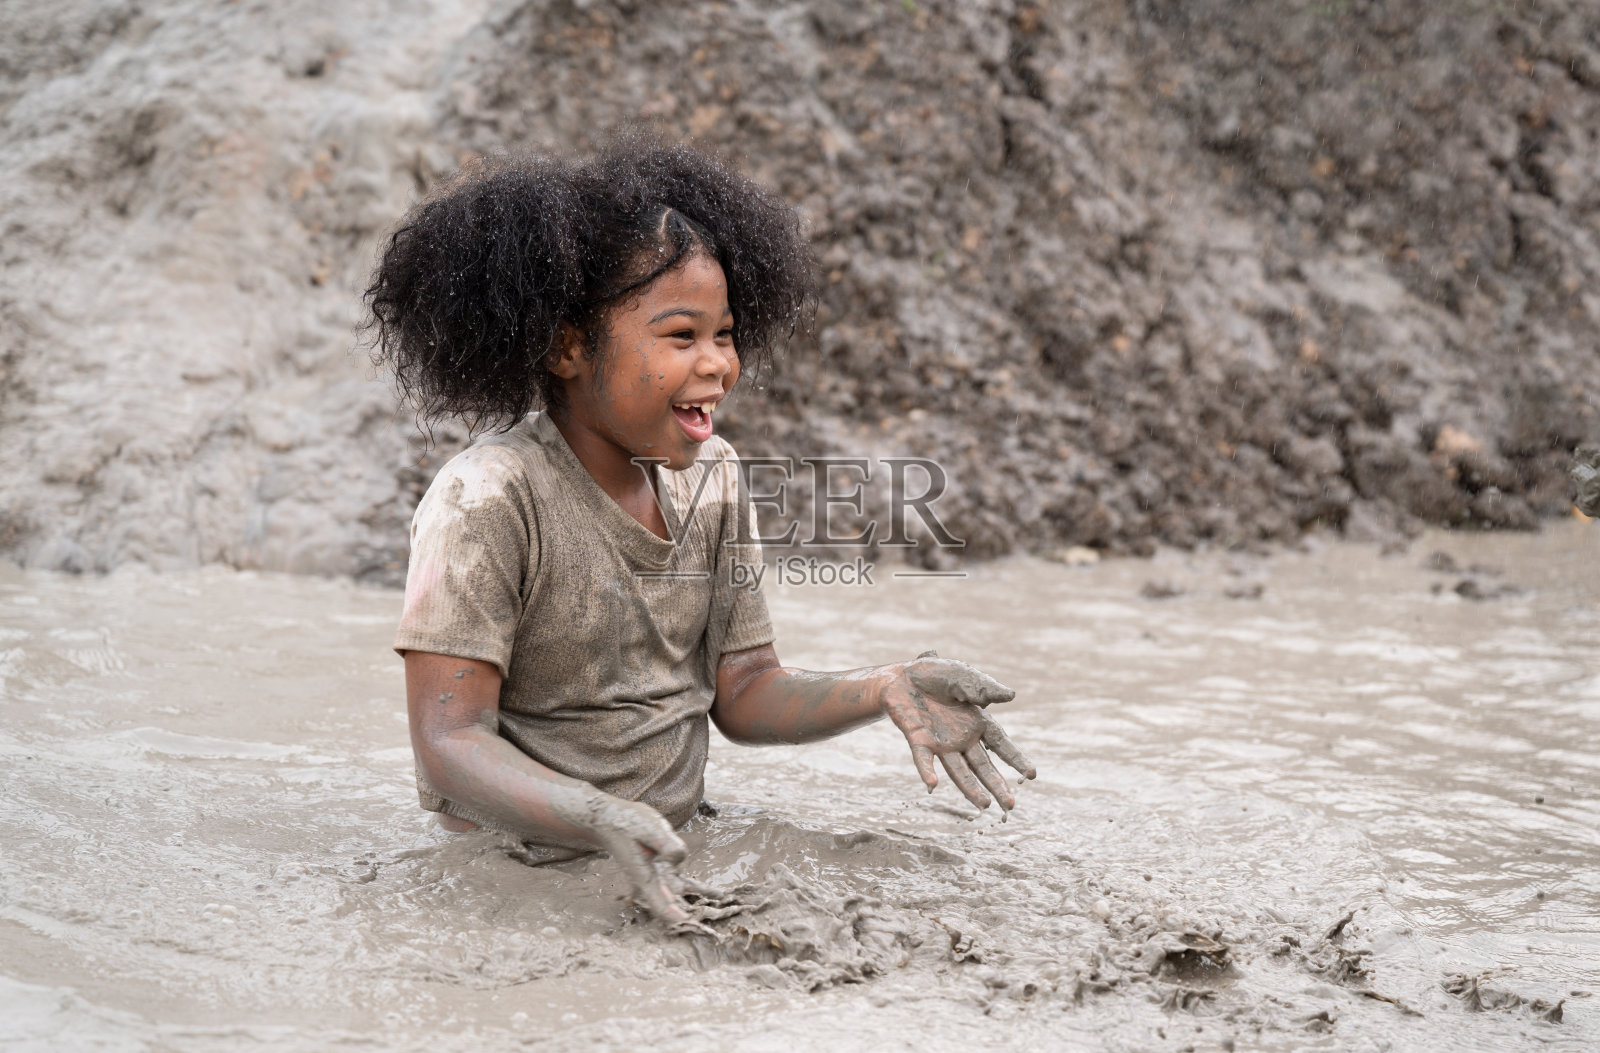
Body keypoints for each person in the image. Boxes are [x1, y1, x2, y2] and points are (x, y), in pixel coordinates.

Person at [364, 134, 1035, 924]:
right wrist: (593, 812)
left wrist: (885, 685)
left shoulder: (714, 475)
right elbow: (450, 740)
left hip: (670, 847)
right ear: (568, 347)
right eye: (682, 336)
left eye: (725, 334)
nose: (719, 364)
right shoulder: (485, 499)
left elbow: (745, 691)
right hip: (514, 873)